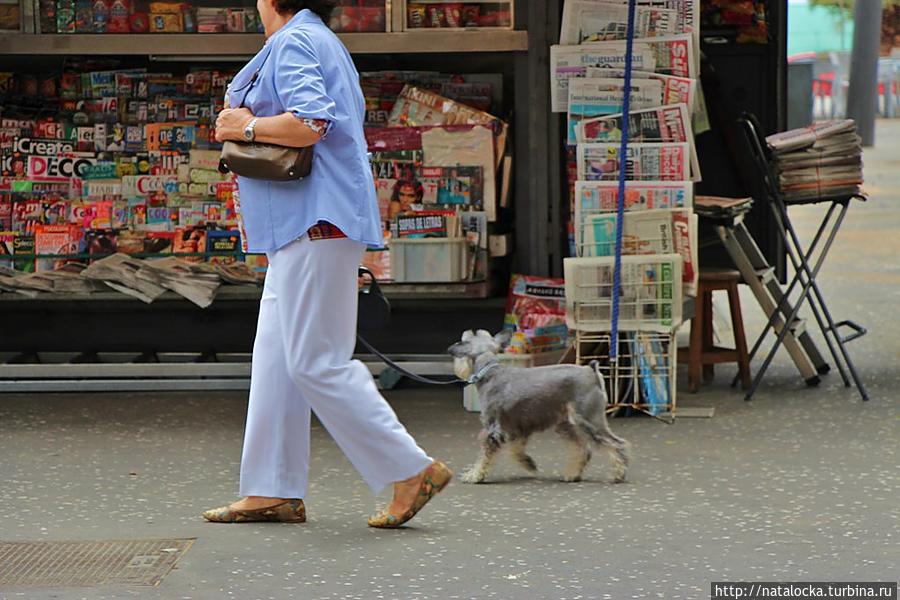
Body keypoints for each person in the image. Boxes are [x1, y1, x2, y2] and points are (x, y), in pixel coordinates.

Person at [203, 0, 451, 528]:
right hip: (305, 223)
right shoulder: (310, 38)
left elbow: (309, 122)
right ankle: (271, 487)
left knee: (314, 359)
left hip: (314, 222)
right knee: (277, 356)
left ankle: (409, 469)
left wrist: (245, 127)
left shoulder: (294, 41)